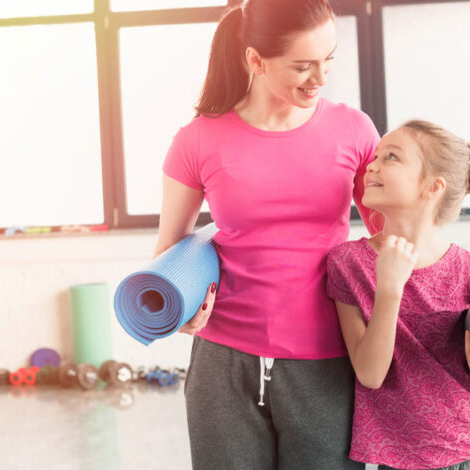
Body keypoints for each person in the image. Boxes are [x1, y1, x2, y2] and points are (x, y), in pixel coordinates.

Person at [155, 1, 382, 468]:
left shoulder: (354, 130)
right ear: (255, 60)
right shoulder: (198, 140)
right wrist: (179, 311)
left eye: (328, 60)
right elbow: (170, 250)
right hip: (224, 362)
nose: (320, 78)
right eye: (302, 65)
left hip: (328, 359)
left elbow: (395, 240)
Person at [326, 121, 470, 470]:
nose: (372, 164)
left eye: (391, 157)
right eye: (376, 155)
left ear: (432, 187)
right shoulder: (348, 263)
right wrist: (390, 289)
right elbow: (370, 374)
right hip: (402, 460)